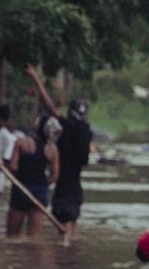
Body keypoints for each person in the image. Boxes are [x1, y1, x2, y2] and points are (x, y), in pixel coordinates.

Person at [30, 68, 93, 237]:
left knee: (63, 234)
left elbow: (50, 107)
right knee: (72, 228)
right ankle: (71, 260)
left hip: (64, 187)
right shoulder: (86, 131)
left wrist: (37, 82)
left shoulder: (69, 127)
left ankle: (64, 261)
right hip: (76, 189)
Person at [7, 112, 56, 239]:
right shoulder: (52, 150)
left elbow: (12, 167)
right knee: (33, 239)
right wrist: (42, 185)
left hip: (20, 189)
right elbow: (54, 176)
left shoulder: (21, 142)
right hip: (39, 193)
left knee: (12, 237)